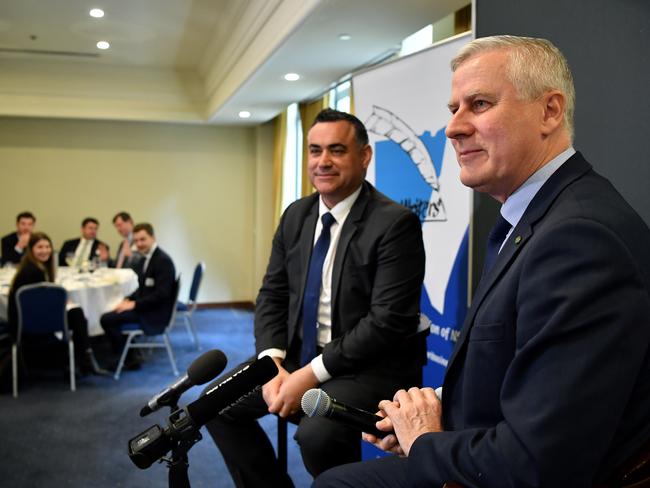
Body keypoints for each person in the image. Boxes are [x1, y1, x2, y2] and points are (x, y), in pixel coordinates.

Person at [314, 35, 650, 488]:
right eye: (453, 109)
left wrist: (425, 443)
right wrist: (430, 416)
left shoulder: (578, 239)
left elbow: (538, 463)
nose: (453, 127)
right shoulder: (535, 216)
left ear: (550, 111)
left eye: (479, 104)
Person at [202, 108, 427, 487]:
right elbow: (272, 294)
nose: (323, 161)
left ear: (364, 156)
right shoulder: (296, 215)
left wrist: (308, 375)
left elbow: (386, 323)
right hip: (297, 355)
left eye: (336, 150)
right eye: (314, 150)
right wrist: (271, 363)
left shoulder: (394, 223)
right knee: (215, 403)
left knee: (316, 434)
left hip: (367, 367)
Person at [8, 232, 108, 375]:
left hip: (23, 323)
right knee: (77, 314)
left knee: (75, 313)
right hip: (33, 323)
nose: (45, 250)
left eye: (48, 246)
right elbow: (41, 307)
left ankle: (84, 360)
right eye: (40, 247)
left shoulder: (31, 267)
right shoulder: (34, 272)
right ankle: (86, 359)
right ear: (31, 249)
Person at [99, 223, 176, 370]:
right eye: (136, 241)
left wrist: (134, 304)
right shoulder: (146, 257)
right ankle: (129, 353)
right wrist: (130, 299)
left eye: (143, 239)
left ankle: (127, 359)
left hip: (155, 313)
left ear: (153, 237)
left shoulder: (162, 261)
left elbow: (162, 295)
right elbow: (142, 287)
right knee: (113, 310)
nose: (139, 244)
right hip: (147, 307)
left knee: (107, 319)